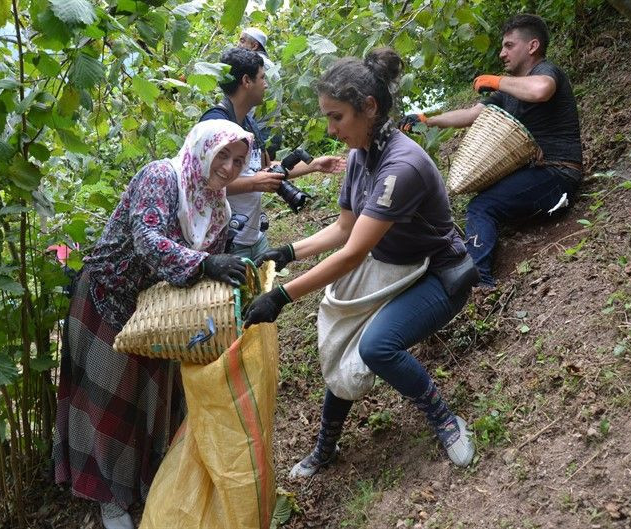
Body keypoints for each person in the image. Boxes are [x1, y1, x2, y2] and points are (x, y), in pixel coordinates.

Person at [243, 48, 478, 478]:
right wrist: (289, 251)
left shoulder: (400, 166)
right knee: (341, 343)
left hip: (437, 274)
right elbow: (344, 229)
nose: (331, 130)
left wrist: (282, 296)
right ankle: (326, 445)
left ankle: (444, 418)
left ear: (369, 108)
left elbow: (352, 253)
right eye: (328, 118)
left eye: (337, 117)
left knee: (374, 346)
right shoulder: (360, 155)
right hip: (393, 267)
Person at [53, 120, 254, 529]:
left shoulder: (218, 207)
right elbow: (147, 238)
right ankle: (109, 498)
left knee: (151, 402)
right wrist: (205, 262)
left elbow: (209, 263)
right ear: (203, 149)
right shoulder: (162, 178)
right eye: (223, 156)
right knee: (107, 403)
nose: (229, 169)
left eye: (238, 161)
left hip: (160, 317)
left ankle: (146, 482)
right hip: (109, 302)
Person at [399, 13, 582, 288]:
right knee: (485, 200)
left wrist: (496, 81)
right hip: (539, 172)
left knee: (481, 207)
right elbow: (472, 114)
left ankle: (479, 281)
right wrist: (428, 120)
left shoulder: (545, 72)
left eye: (509, 45)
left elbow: (541, 90)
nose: (502, 53)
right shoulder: (509, 92)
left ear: (532, 46)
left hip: (558, 174)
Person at [200, 47, 345, 260]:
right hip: (224, 242)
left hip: (254, 236)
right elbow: (201, 183)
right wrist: (254, 183)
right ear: (246, 81)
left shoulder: (249, 123)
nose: (266, 84)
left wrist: (314, 165)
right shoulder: (214, 125)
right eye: (262, 77)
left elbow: (263, 170)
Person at [238, 27, 282, 158]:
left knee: (256, 175)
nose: (238, 45)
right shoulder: (270, 65)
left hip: (260, 130)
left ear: (254, 45)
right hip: (273, 129)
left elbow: (249, 101)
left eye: (242, 41)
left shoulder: (256, 65)